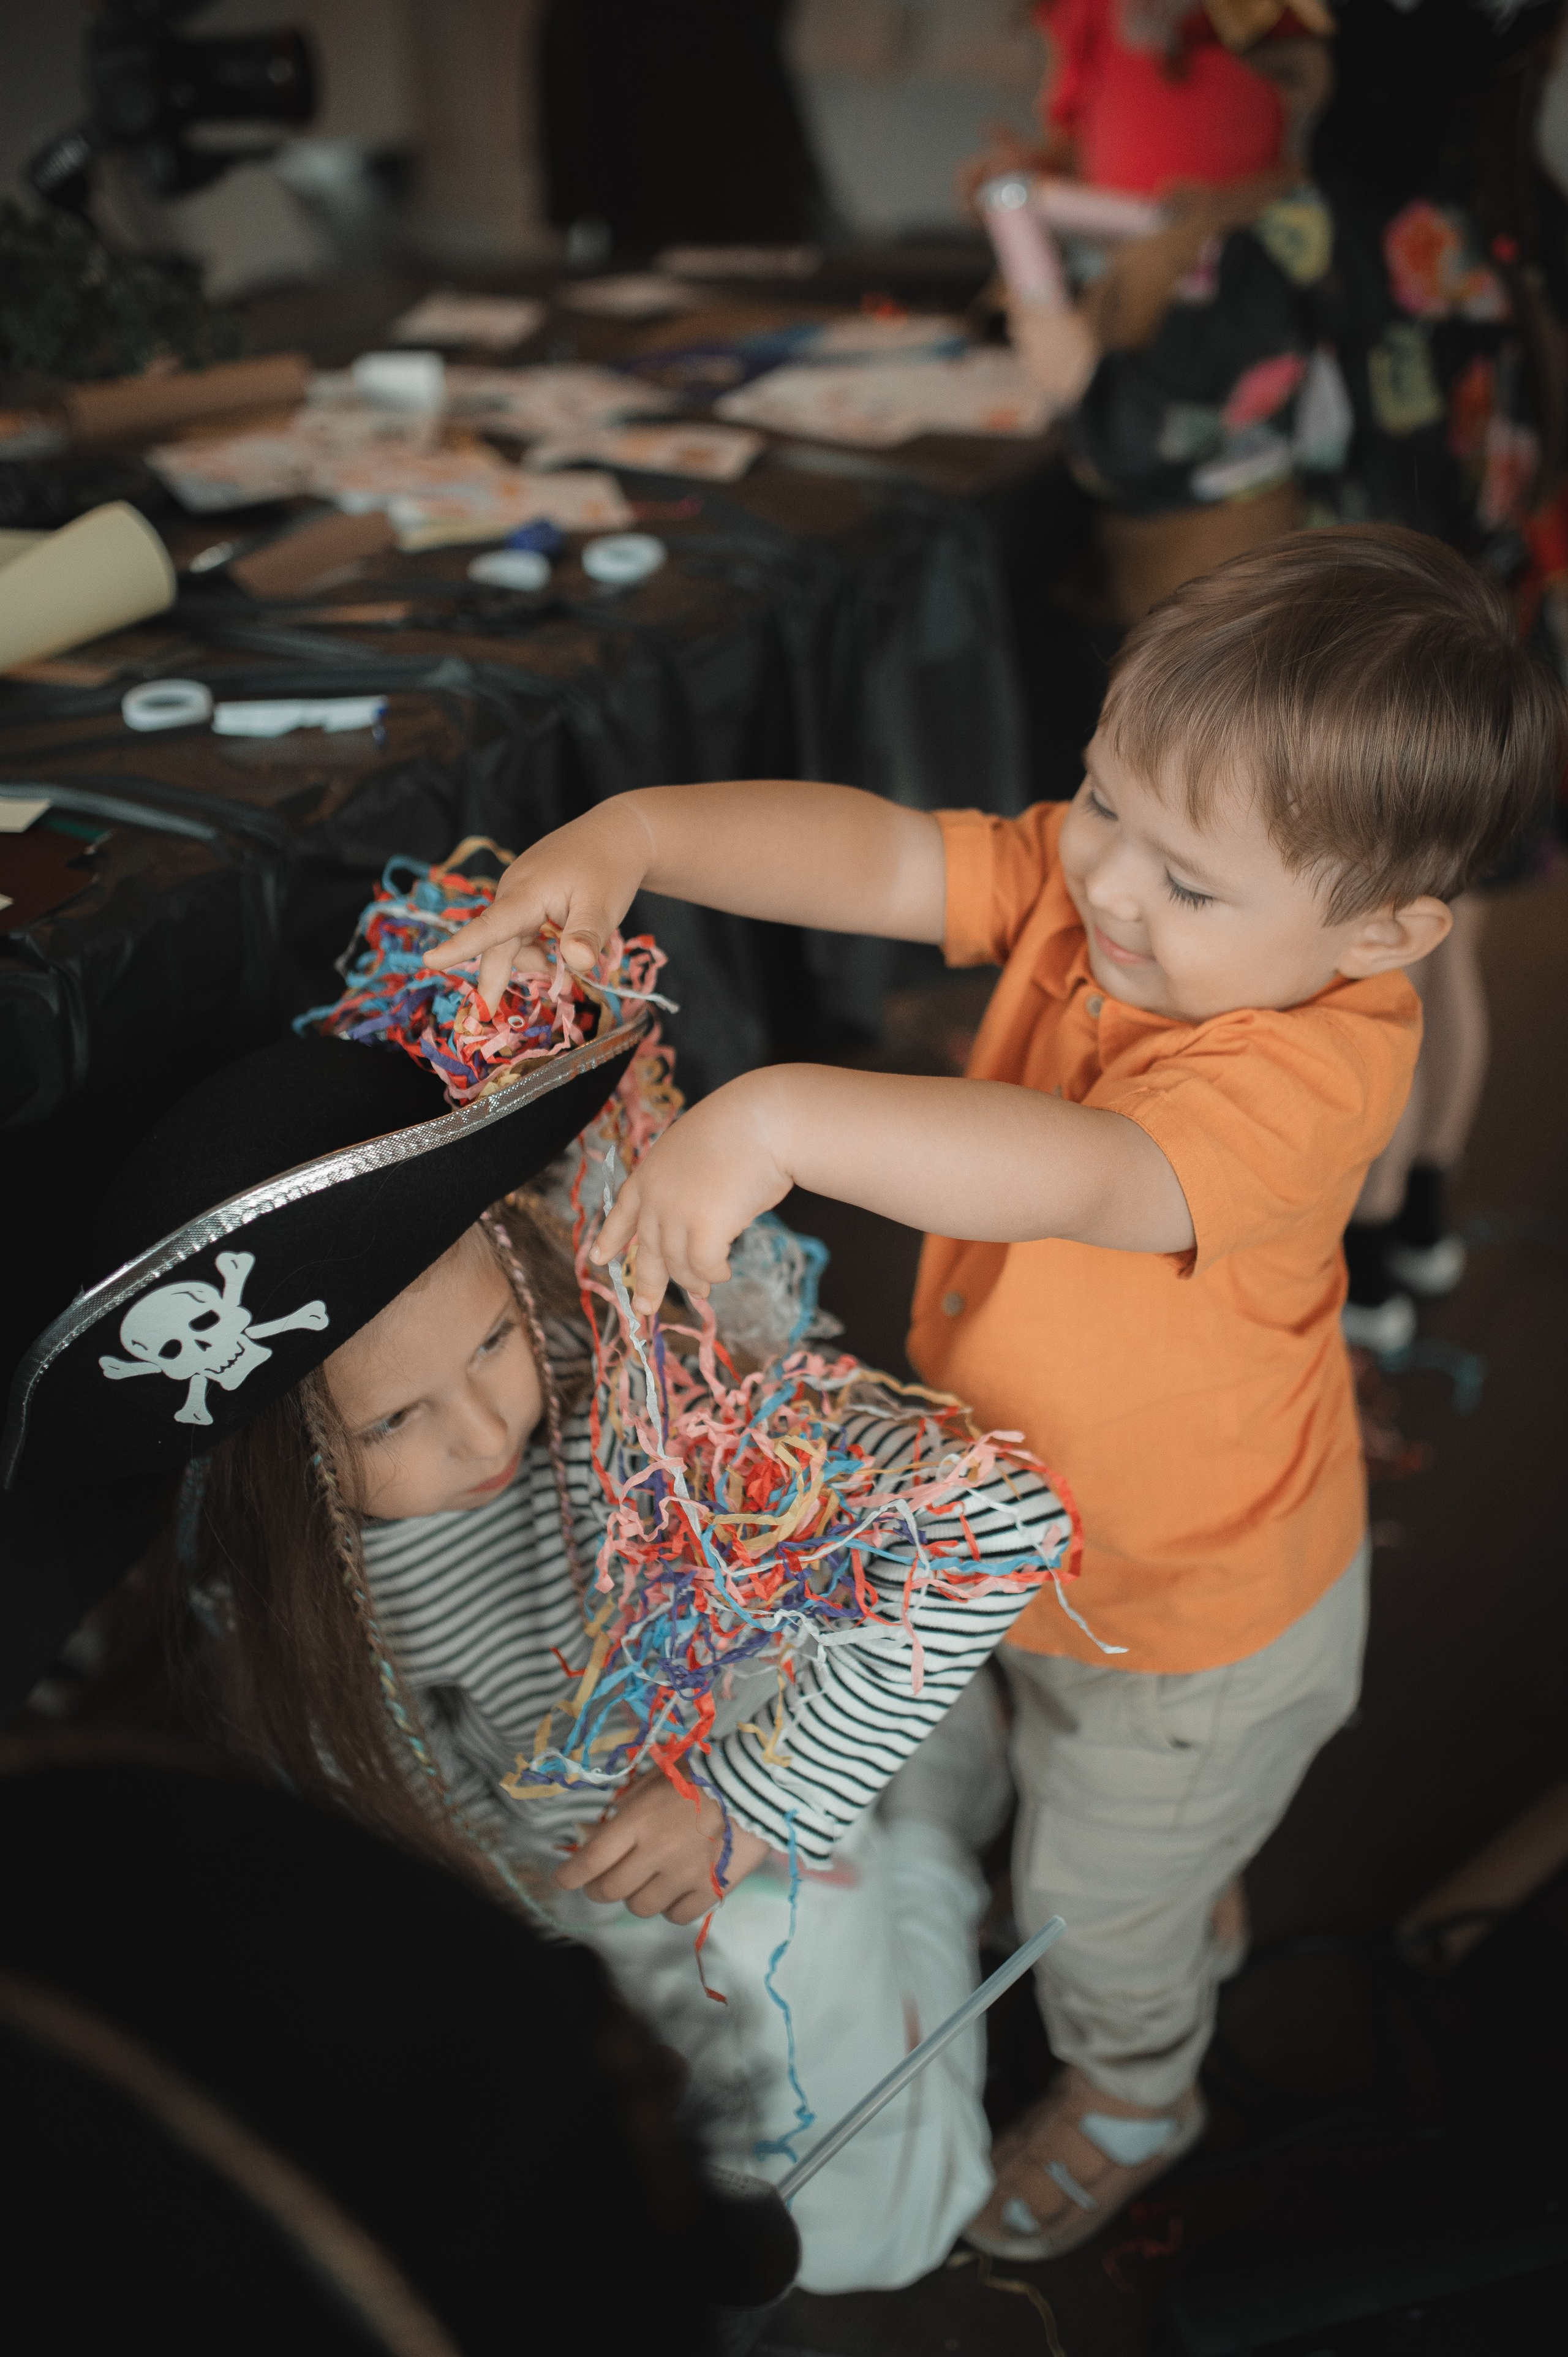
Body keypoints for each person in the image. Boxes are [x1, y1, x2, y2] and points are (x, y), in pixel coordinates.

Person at [427, 525, 1566, 2257]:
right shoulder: (1130, 897)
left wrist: (778, 1115)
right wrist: (637, 832)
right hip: (1033, 1538)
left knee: (1093, 1900)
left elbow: (1074, 1170)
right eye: (1102, 801)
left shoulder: (1311, 1071)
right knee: (1068, 1788)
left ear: (1387, 932)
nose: (1107, 884)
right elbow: (892, 854)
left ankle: (1137, 2085)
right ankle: (1187, 1879)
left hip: (1185, 1625)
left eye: (1191, 882)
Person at [1, 889, 1071, 2296]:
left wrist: (751, 1797)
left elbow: (998, 1518)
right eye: (392, 1426)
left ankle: (930, 1836)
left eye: (494, 1345)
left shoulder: (659, 1408)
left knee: (857, 2235)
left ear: (519, 1262)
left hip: (770, 1822)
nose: (482, 1434)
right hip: (574, 1887)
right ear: (276, 1470)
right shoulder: (270, 1581)